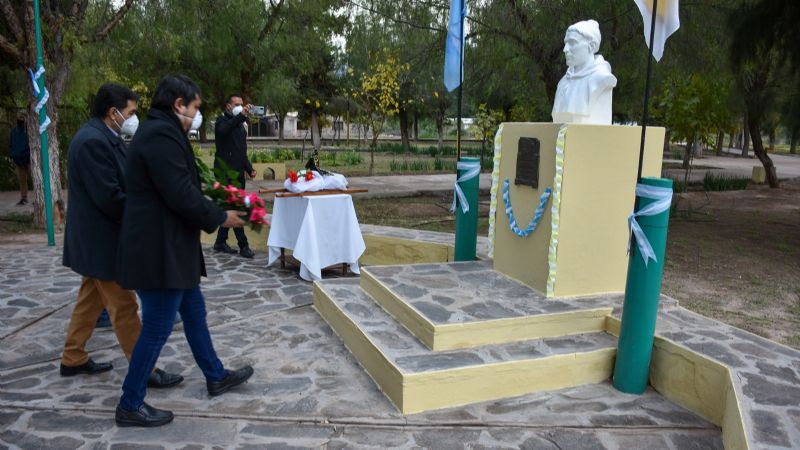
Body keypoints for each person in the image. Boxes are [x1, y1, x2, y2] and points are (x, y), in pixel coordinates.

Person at [115, 75, 253, 428]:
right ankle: (130, 403)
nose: (196, 114)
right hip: (158, 251)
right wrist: (220, 216)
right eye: (195, 107)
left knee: (194, 312)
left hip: (172, 247)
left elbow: (181, 185)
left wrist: (215, 199)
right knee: (157, 328)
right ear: (179, 104)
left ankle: (215, 375)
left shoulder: (162, 131)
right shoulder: (160, 135)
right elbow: (179, 192)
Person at [60, 84, 183, 391]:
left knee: (89, 301)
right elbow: (110, 198)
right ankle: (146, 369)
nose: (132, 118)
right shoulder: (92, 142)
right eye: (130, 112)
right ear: (112, 112)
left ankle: (72, 357)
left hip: (97, 241)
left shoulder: (103, 136)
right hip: (101, 241)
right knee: (125, 306)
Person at [213, 94, 257, 258]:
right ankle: (243, 246)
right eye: (237, 104)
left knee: (230, 208)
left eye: (242, 104)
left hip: (238, 173)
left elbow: (241, 151)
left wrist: (249, 169)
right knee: (236, 208)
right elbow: (225, 129)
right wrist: (241, 116)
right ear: (228, 106)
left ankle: (220, 241)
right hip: (225, 173)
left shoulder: (240, 126)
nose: (240, 106)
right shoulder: (221, 122)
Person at [551, 19, 617, 125]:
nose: (565, 49)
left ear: (591, 46)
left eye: (572, 43)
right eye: (566, 43)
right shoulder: (563, 82)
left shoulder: (601, 78)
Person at [8, 114, 30, 205]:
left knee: (36, 178)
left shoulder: (29, 130)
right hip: (18, 160)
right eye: (19, 117)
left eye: (22, 117)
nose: (21, 119)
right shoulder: (13, 132)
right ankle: (24, 198)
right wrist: (12, 154)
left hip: (29, 159)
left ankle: (40, 197)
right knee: (22, 180)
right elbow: (11, 144)